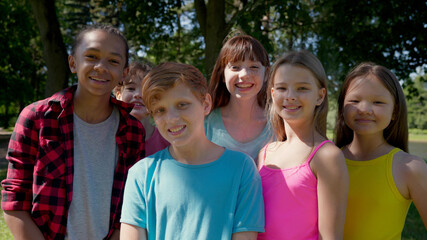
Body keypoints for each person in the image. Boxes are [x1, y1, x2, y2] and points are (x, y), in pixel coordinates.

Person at [1, 24, 145, 240]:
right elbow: (14, 202)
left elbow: (131, 208)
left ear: (124, 73)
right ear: (73, 63)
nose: (101, 67)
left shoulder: (133, 132)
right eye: (91, 56)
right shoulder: (36, 118)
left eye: (113, 61)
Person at [120, 62, 265, 240]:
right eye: (160, 110)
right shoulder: (141, 175)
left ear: (205, 104)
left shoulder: (242, 169)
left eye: (182, 104)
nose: (171, 118)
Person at [257, 50, 348, 239]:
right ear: (273, 94)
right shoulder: (266, 153)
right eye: (282, 88)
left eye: (302, 88)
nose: (290, 96)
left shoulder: (327, 156)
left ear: (320, 96)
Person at [334, 62, 427, 239]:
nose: (365, 110)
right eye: (354, 100)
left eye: (378, 102)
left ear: (395, 111)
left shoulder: (410, 167)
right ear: (342, 108)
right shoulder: (325, 160)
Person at [205, 34, 272, 164]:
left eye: (254, 67)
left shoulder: (279, 125)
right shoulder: (205, 124)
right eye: (235, 67)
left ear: (266, 74)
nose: (244, 75)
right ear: (222, 74)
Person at [114, 61, 169, 156]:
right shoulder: (109, 135)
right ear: (118, 96)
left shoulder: (168, 140)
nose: (139, 95)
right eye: (131, 88)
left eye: (146, 90)